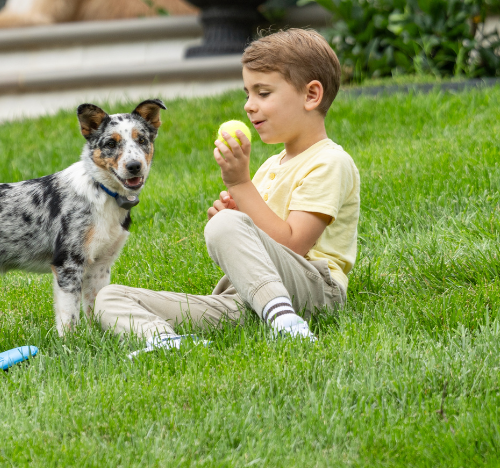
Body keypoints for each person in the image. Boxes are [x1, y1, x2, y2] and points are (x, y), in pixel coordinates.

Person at [95, 29, 360, 349]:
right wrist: (239, 215)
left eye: (263, 93)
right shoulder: (271, 166)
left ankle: (288, 324)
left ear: (311, 95)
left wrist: (239, 188)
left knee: (226, 225)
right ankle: (171, 344)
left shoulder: (330, 161)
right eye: (247, 93)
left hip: (316, 290)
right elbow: (262, 235)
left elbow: (293, 245)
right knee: (109, 297)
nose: (249, 106)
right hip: (247, 295)